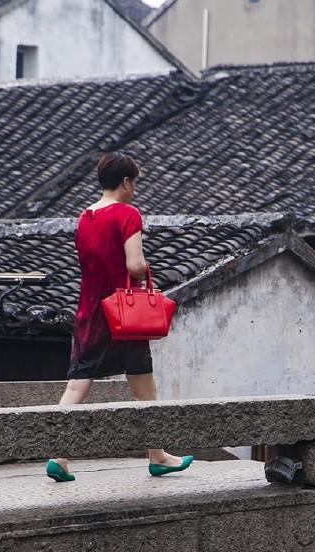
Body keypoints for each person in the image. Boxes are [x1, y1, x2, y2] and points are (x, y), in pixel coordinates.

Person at [46, 152, 193, 481]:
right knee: (144, 385)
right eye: (134, 182)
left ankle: (58, 455)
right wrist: (147, 270)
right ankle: (157, 456)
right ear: (126, 182)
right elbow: (134, 266)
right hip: (123, 314)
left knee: (77, 385)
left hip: (90, 311)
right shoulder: (128, 214)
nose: (135, 189)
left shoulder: (85, 217)